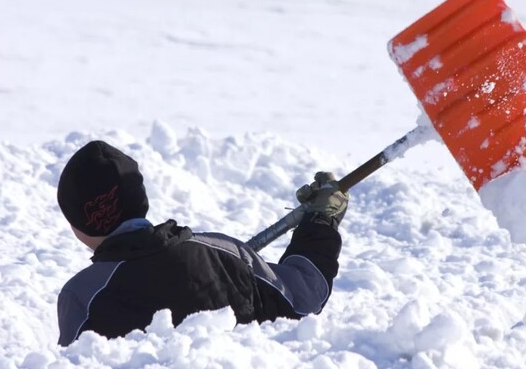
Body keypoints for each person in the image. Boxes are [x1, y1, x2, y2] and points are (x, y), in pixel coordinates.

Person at [56, 140, 348, 346]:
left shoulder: (82, 295)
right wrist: (322, 219)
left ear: (77, 224)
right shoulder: (226, 254)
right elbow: (304, 296)